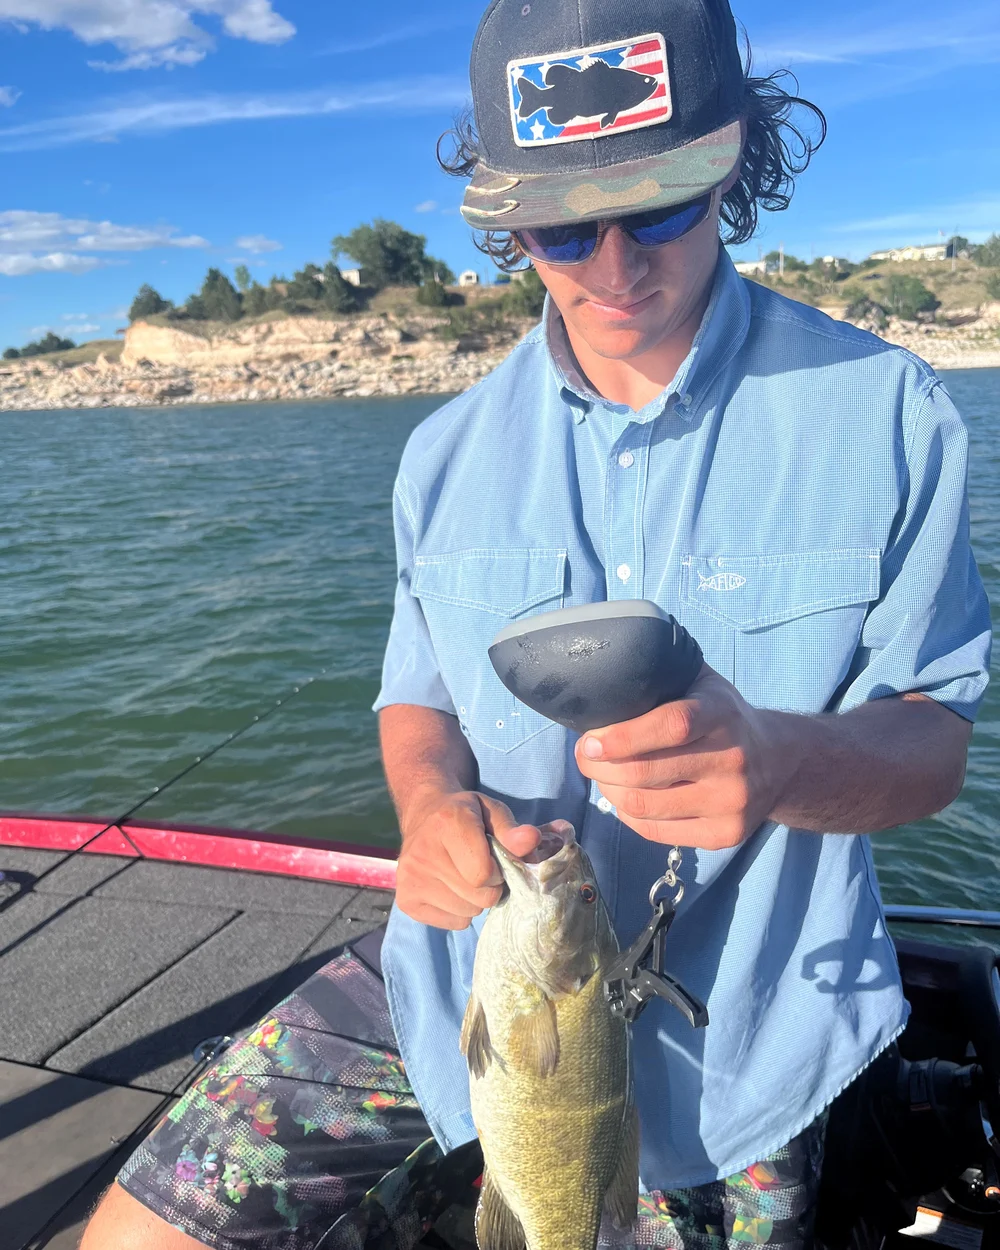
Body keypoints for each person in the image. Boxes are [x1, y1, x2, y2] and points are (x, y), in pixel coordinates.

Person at [82, 0, 990, 1246]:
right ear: (505, 219)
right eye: (560, 223)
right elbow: (420, 702)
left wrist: (779, 760)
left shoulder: (890, 415)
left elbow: (931, 740)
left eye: (664, 202)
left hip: (745, 1034)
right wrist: (426, 808)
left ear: (739, 158)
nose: (614, 266)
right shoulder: (441, 454)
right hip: (458, 985)